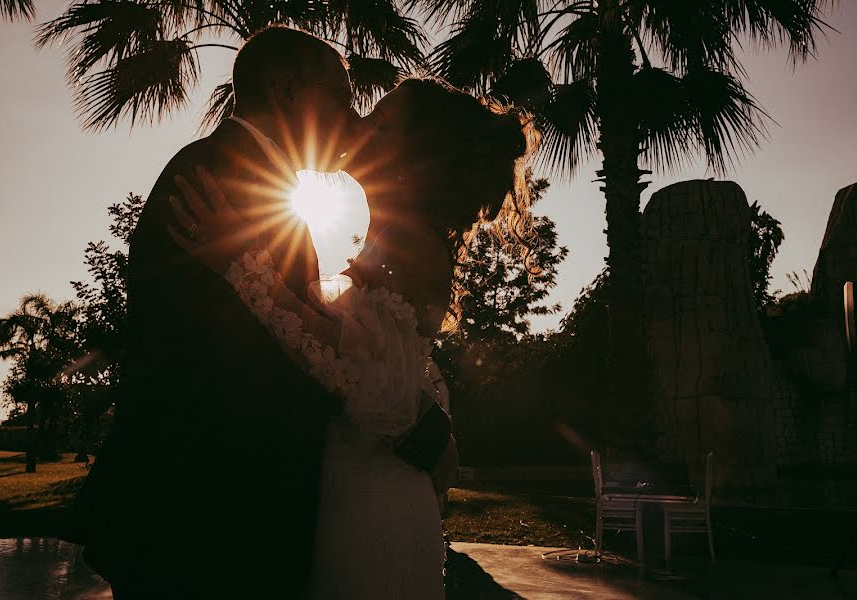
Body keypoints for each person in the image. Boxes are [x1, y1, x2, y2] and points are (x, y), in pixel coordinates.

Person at [71, 28, 452, 599]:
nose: (352, 116)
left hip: (221, 515)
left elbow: (299, 338)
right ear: (285, 90)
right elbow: (241, 358)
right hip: (201, 516)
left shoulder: (257, 185)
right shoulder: (221, 178)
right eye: (339, 94)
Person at [168, 77, 536, 599]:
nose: (359, 125)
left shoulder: (410, 240)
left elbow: (365, 377)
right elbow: (397, 364)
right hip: (358, 482)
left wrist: (241, 265)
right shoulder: (393, 238)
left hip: (373, 496)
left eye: (379, 123)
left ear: (412, 154)